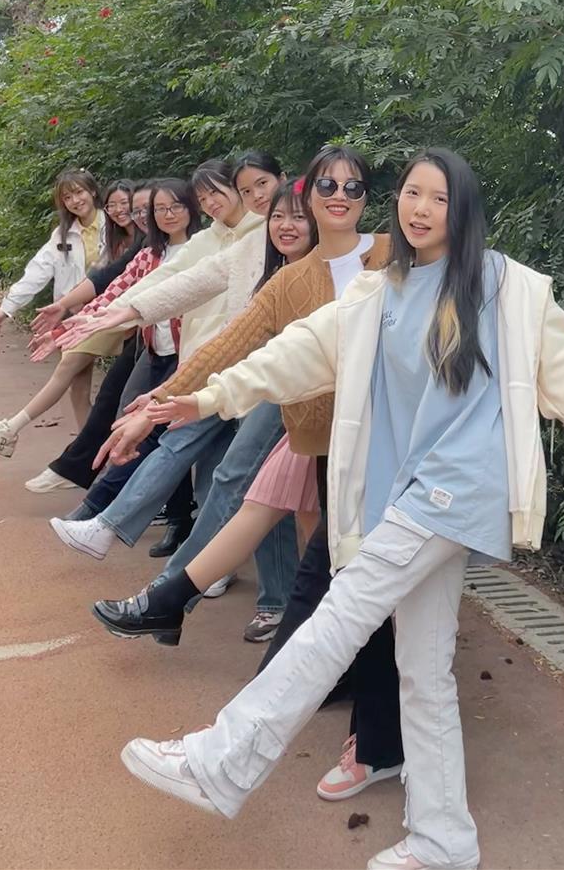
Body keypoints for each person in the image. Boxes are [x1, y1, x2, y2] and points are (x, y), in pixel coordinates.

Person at [118, 148, 564, 870]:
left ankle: (225, 758)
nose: (421, 209)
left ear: (464, 210)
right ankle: (443, 840)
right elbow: (294, 353)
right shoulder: (377, 291)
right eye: (413, 193)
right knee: (423, 669)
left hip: (458, 489)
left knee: (341, 615)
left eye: (439, 198)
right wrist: (205, 398)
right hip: (406, 493)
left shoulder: (507, 287)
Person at [87, 144, 389, 646]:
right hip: (315, 430)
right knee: (293, 527)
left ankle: (178, 603)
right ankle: (182, 603)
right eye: (327, 185)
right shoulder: (288, 281)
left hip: (380, 433)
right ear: (309, 194)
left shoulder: (391, 256)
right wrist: (158, 401)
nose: (339, 195)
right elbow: (225, 346)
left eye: (352, 186)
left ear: (366, 197)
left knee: (323, 542)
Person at [49, 152, 286, 558]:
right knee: (219, 468)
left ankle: (118, 526)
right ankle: (206, 562)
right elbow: (178, 279)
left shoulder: (274, 232)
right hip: (209, 365)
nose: (213, 203)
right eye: (246, 189)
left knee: (225, 466)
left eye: (258, 185)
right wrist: (116, 312)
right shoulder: (216, 242)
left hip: (254, 371)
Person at [25, 181, 155, 493]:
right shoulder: (144, 247)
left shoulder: (190, 245)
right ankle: (88, 473)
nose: (136, 215)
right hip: (144, 336)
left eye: (145, 209)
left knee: (139, 410)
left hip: (174, 343)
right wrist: (64, 319)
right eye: (135, 209)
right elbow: (111, 283)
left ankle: (123, 490)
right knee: (113, 398)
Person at [0, 168, 108, 456]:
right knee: (78, 387)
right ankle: (91, 456)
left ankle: (11, 429)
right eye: (67, 197)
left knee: (68, 370)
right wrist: (5, 310)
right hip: (74, 317)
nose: (75, 200)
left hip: (108, 314)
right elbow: (37, 272)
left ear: (93, 191)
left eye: (79, 192)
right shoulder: (63, 234)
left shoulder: (114, 225)